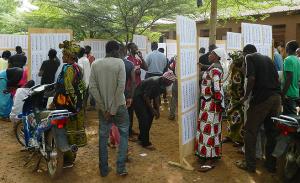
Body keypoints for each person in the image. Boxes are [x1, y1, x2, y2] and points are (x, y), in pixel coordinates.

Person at [235, 44, 281, 173]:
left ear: (246, 53)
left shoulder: (249, 57)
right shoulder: (268, 58)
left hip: (262, 99)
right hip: (276, 99)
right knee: (271, 133)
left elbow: (251, 79)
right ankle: (270, 165)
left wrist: (245, 97)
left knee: (250, 131)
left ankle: (250, 165)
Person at [89, 40, 129, 177]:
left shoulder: (95, 64)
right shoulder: (120, 63)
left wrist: (103, 107)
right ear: (115, 50)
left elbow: (92, 88)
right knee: (124, 135)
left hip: (103, 109)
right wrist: (112, 108)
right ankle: (121, 168)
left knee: (103, 137)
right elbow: (121, 87)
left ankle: (104, 170)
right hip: (119, 107)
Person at [53, 40, 87, 167]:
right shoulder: (77, 67)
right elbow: (81, 87)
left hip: (66, 105)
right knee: (73, 130)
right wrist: (78, 104)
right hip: (75, 105)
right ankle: (72, 157)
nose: (62, 57)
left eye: (64, 55)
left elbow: (67, 89)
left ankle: (68, 159)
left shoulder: (67, 68)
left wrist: (58, 101)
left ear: (69, 56)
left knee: (66, 132)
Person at [195, 48, 225, 172]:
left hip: (211, 105)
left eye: (212, 54)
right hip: (207, 103)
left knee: (210, 130)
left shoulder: (216, 70)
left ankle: (209, 159)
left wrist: (217, 103)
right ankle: (206, 154)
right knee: (206, 129)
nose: (209, 55)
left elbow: (217, 88)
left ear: (217, 56)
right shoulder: (214, 67)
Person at [133, 71, 176, 150]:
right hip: (138, 97)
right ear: (165, 79)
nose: (171, 83)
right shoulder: (154, 82)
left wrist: (157, 110)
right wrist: (152, 109)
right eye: (170, 82)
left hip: (145, 98)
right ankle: (145, 143)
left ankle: (141, 138)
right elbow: (146, 96)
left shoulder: (162, 84)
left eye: (172, 82)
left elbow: (156, 97)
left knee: (150, 116)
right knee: (144, 118)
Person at [120, 45, 136, 139]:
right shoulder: (130, 64)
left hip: (114, 94)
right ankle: (129, 131)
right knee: (129, 112)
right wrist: (131, 96)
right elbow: (133, 82)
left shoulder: (112, 63)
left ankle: (115, 135)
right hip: (126, 92)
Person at [282, 41, 300, 115]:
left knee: (290, 118)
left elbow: (289, 78)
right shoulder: (297, 60)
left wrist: (283, 93)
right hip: (296, 92)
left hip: (289, 93)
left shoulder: (288, 59)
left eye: (286, 47)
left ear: (288, 49)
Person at [77, 47, 91, 113]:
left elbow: (80, 71)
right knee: (85, 99)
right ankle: (84, 111)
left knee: (81, 99)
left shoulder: (80, 60)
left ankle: (82, 113)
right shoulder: (86, 59)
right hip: (87, 81)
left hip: (82, 82)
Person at [84, 45, 96, 110]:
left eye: (85, 49)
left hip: (90, 77)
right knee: (86, 91)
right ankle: (85, 104)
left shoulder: (91, 57)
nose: (85, 50)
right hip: (87, 76)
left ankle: (92, 105)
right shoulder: (87, 57)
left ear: (88, 50)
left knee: (91, 91)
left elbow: (91, 67)